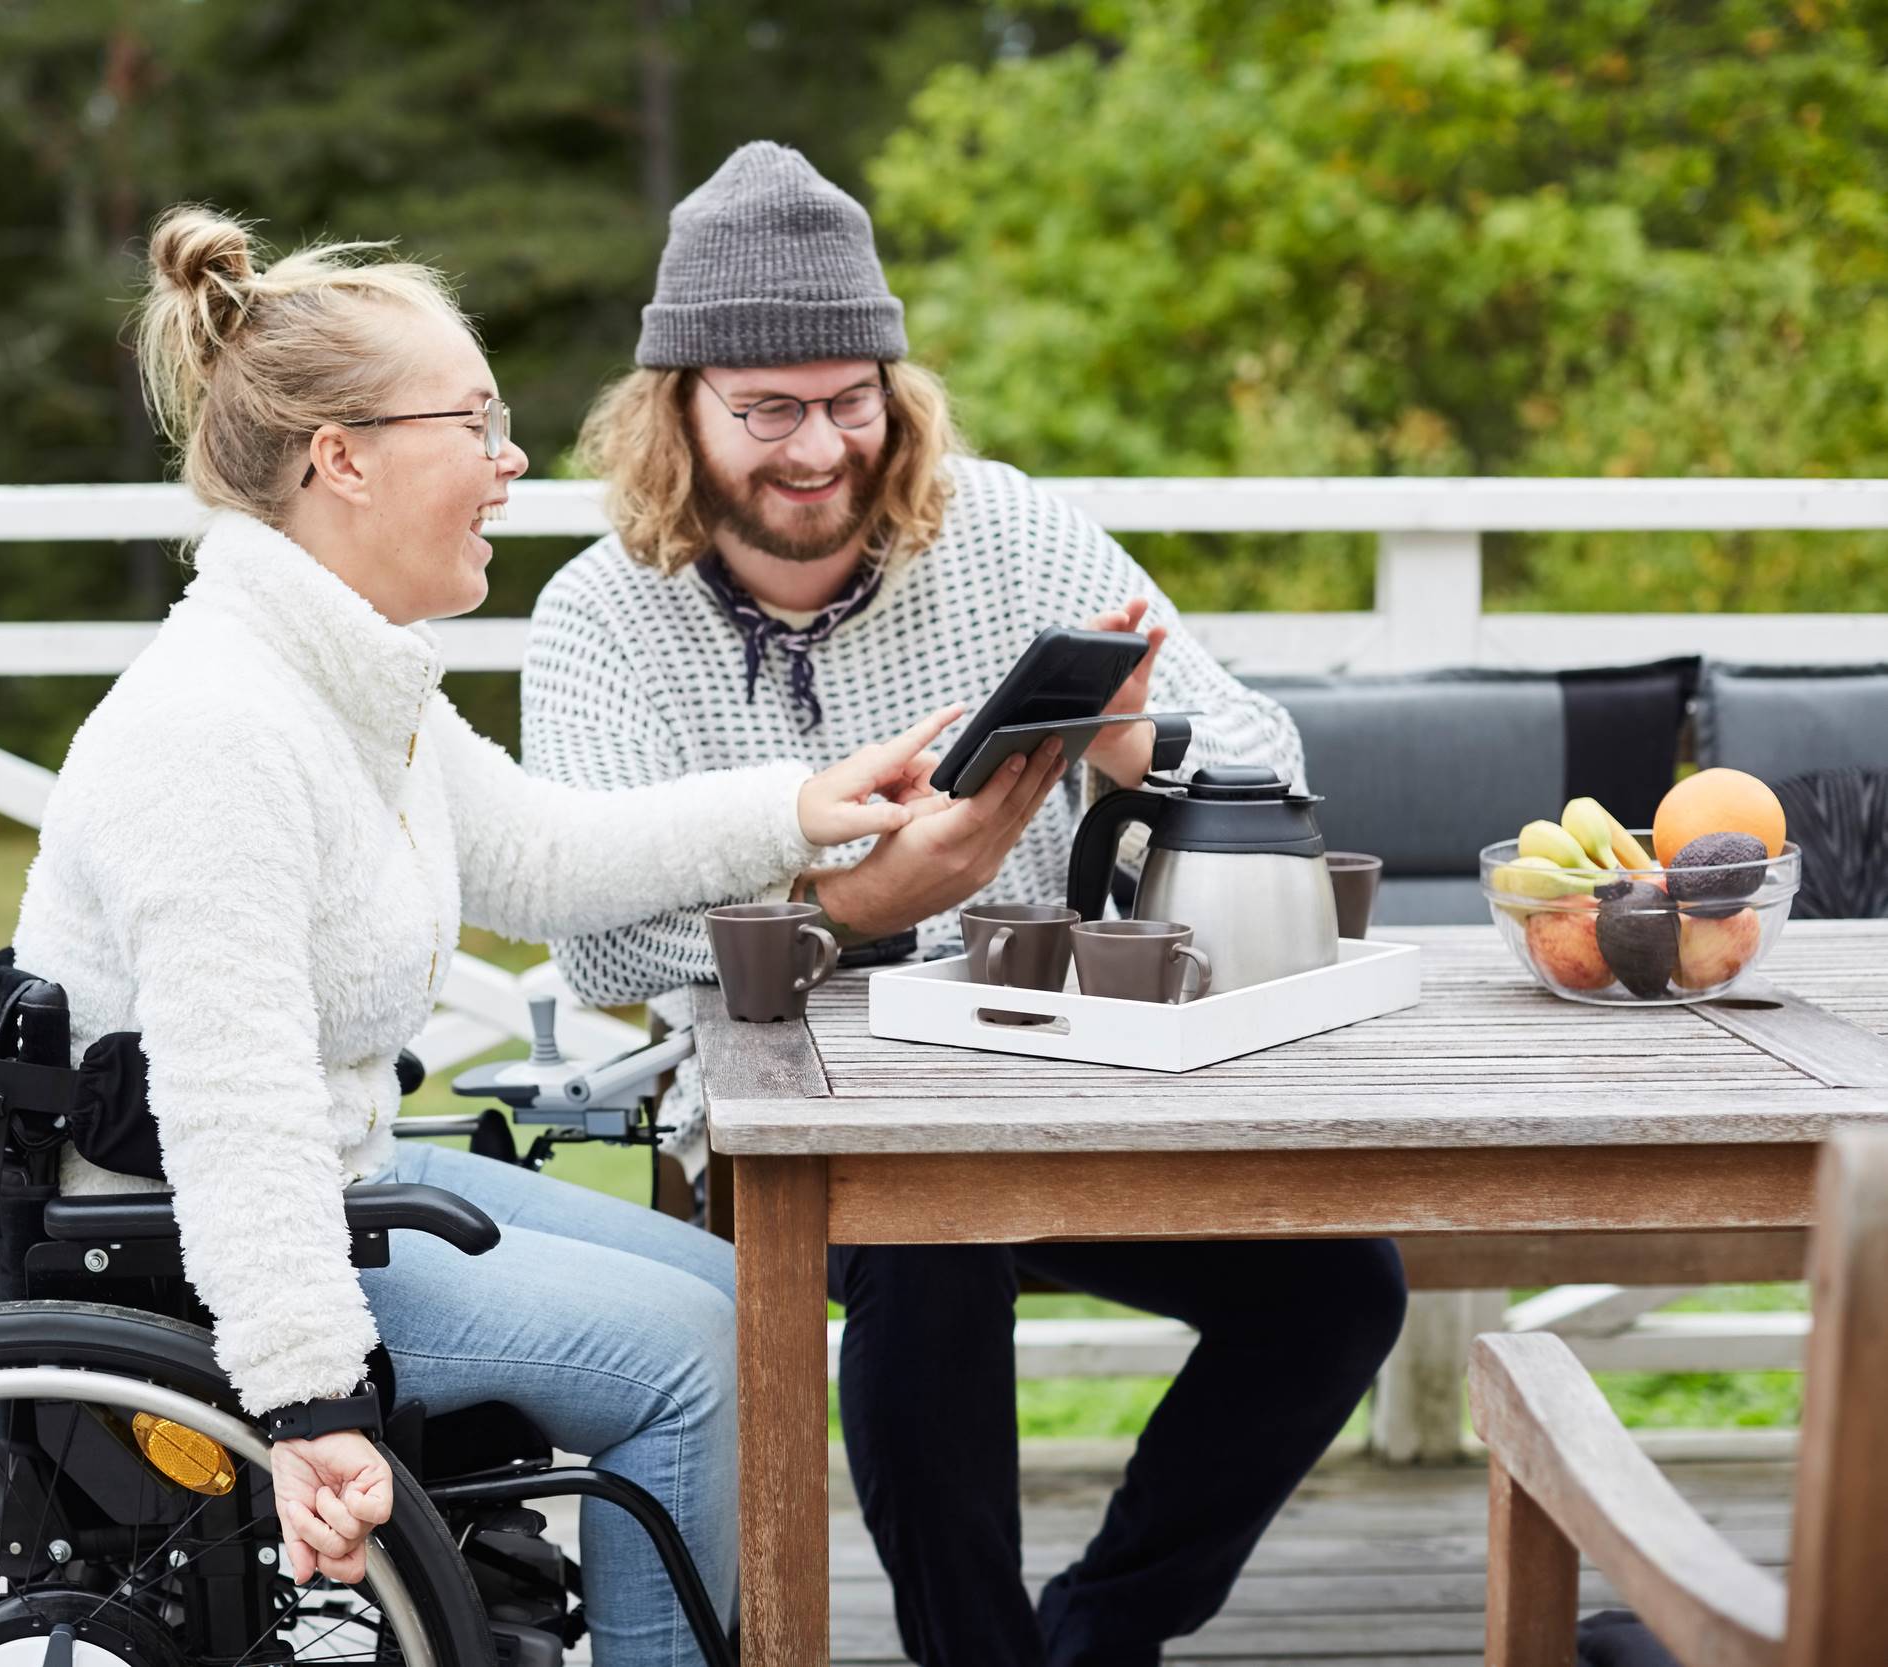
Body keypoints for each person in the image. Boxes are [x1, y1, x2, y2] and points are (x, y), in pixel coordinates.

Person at [9, 203, 957, 1666]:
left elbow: (541, 852)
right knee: (704, 1361)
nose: (514, 461)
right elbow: (235, 1109)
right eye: (478, 421)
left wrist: (806, 806)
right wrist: (315, 1403)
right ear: (346, 458)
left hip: (341, 1168)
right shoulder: (217, 728)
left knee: (738, 1293)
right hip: (196, 1247)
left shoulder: (338, 673)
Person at [523, 142, 1409, 1667]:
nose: (820, 448)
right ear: (677, 410)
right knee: (930, 1263)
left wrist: (1140, 746)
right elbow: (602, 940)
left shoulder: (1002, 527)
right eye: (771, 411)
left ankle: (1096, 1636)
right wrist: (864, 907)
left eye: (852, 397)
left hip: (1073, 1069)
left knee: (1340, 1292)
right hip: (803, 1107)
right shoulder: (599, 615)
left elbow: (1271, 756)